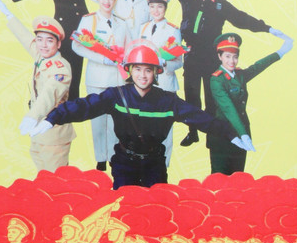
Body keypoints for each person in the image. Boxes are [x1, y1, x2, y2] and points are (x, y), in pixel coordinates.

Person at [30, 41, 246, 188]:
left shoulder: (167, 101)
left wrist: (233, 135)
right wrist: (52, 118)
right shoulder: (117, 96)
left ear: (155, 73)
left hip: (155, 163)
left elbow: (202, 119)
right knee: (125, 212)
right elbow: (85, 106)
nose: (143, 75)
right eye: (138, 69)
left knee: (158, 211)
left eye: (148, 70)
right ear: (129, 71)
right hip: (125, 162)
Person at [138, 0, 284, 146]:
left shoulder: (221, 5)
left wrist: (267, 28)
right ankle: (193, 132)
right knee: (191, 97)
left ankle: (211, 134)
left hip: (210, 57)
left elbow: (242, 19)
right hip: (190, 54)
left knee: (211, 98)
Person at [0, 0, 127, 100]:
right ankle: (59, 104)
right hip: (62, 33)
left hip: (82, 33)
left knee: (77, 70)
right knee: (63, 70)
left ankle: (73, 105)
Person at [0, 1, 76, 172]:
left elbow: (49, 93)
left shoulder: (61, 68)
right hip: (38, 135)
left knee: (54, 183)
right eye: (40, 39)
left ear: (58, 44)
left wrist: (31, 117)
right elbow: (26, 39)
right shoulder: (42, 57)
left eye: (49, 41)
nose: (43, 45)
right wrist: (10, 16)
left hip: (54, 134)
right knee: (41, 181)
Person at [207, 32, 292, 174]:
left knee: (239, 179)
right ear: (219, 56)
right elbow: (229, 109)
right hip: (222, 137)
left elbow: (258, 66)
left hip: (241, 135)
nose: (232, 61)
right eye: (227, 56)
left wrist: (280, 52)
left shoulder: (239, 75)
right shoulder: (216, 80)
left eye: (235, 57)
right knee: (220, 181)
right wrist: (244, 135)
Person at [70, 0, 129, 169]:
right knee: (97, 121)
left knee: (115, 120)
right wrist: (102, 58)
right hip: (96, 77)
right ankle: (100, 158)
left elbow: (128, 50)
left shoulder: (122, 23)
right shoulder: (88, 20)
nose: (107, 2)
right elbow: (78, 47)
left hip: (117, 81)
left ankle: (114, 156)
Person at [138, 0, 183, 166]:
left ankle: (163, 167)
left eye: (160, 7)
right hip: (144, 86)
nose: (156, 11)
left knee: (164, 129)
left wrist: (164, 64)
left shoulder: (173, 30)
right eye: (152, 6)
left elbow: (179, 61)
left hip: (164, 84)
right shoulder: (143, 28)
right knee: (145, 127)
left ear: (165, 9)